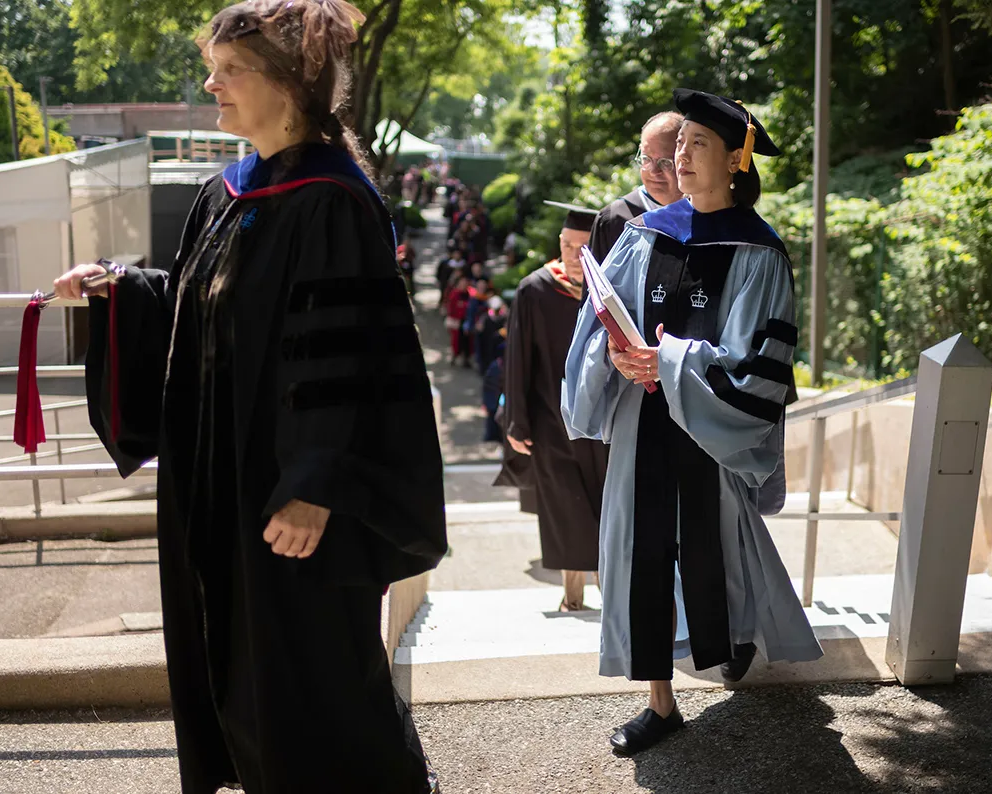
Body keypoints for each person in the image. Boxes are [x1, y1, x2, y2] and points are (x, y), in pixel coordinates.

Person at [53, 2, 446, 791]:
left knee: (319, 689)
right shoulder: (226, 193)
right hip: (222, 491)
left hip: (289, 504)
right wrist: (120, 292)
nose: (211, 85)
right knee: (243, 673)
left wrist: (316, 489)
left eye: (230, 71)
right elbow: (211, 310)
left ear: (290, 83)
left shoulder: (332, 202)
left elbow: (356, 359)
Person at [562, 89, 821, 757]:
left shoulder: (758, 254)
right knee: (640, 557)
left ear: (736, 160)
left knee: (720, 554)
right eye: (678, 145)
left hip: (710, 435)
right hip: (642, 429)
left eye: (696, 145)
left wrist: (667, 362)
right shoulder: (647, 234)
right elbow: (599, 326)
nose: (681, 157)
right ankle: (658, 702)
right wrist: (618, 357)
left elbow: (754, 363)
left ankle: (729, 641)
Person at [502, 201, 609, 612]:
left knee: (603, 504)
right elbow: (517, 361)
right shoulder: (536, 289)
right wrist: (516, 421)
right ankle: (573, 595)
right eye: (566, 245)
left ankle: (609, 591)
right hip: (551, 418)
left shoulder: (608, 291)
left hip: (600, 419)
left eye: (582, 247)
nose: (572, 255)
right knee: (565, 507)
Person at [588, 111, 685, 264]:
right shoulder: (615, 219)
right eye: (646, 159)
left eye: (665, 162)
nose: (653, 171)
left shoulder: (707, 215)